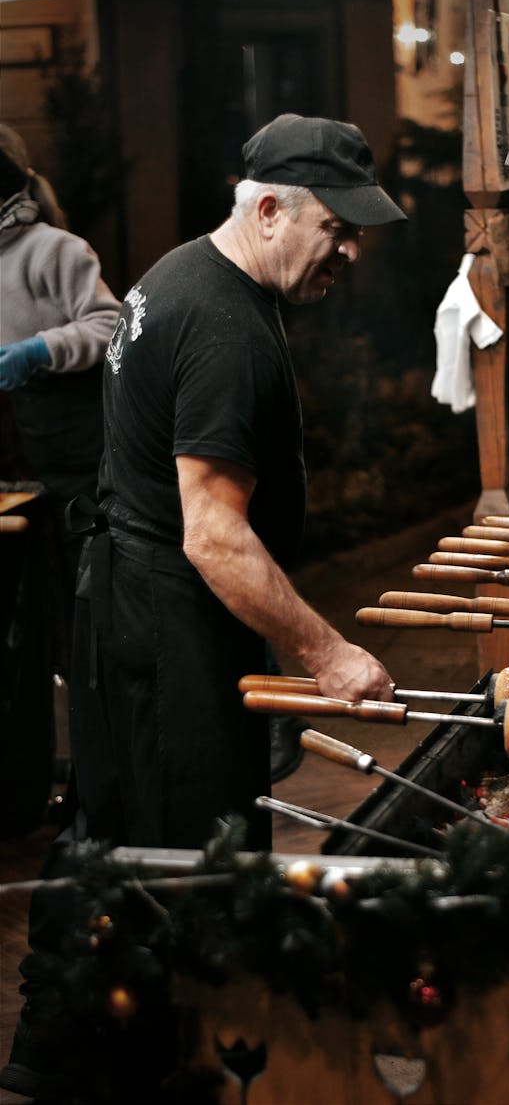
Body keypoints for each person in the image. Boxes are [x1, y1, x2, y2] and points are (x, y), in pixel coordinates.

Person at [0, 114, 405, 1101]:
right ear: (268, 208)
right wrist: (327, 650)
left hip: (119, 606)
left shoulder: (173, 273)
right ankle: (179, 1071)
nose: (349, 251)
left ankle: (50, 1058)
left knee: (108, 838)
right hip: (165, 622)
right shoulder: (227, 329)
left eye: (357, 232)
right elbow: (213, 533)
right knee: (194, 866)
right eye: (334, 229)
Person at [0, 124, 121, 597]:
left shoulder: (54, 249)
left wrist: (39, 350)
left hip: (74, 446)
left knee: (87, 581)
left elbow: (111, 324)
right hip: (15, 446)